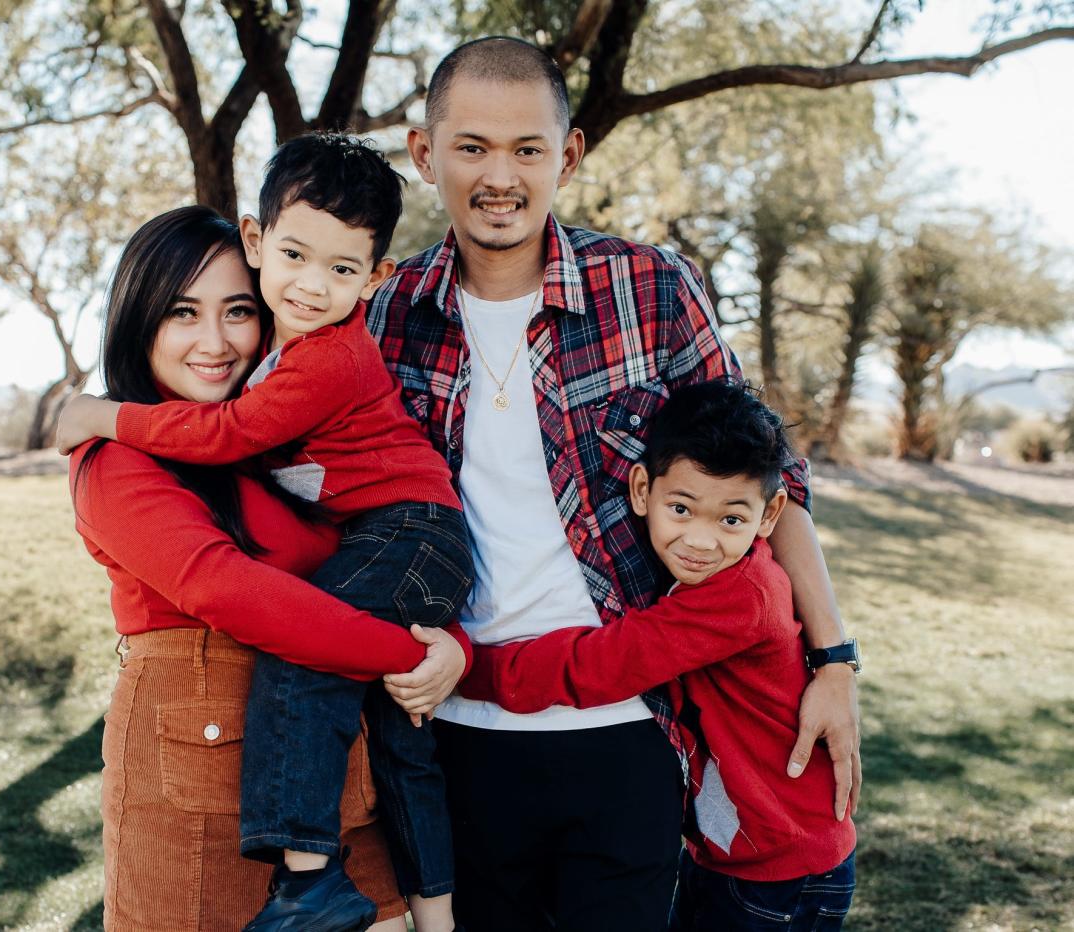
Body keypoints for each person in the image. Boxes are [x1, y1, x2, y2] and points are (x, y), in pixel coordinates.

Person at [369, 36, 862, 929]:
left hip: (631, 732)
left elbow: (773, 481)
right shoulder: (386, 313)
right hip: (454, 730)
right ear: (423, 153)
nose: (499, 176)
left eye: (527, 150)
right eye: (471, 147)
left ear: (568, 155)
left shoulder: (651, 289)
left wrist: (833, 661)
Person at [59, 136, 468, 932]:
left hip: (333, 794)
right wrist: (408, 655)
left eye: (236, 312)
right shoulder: (118, 460)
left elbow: (367, 578)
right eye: (183, 312)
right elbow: (230, 591)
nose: (214, 342)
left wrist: (451, 650)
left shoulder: (275, 442)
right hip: (199, 799)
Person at [457, 379, 858, 930]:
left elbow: (599, 665)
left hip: (779, 872)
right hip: (736, 853)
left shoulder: (741, 595)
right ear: (642, 489)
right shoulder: (721, 577)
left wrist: (466, 668)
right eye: (682, 509)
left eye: (731, 520)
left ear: (770, 515)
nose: (701, 540)